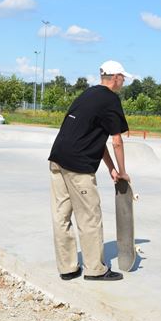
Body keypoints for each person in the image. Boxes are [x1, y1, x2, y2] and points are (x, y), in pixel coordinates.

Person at [48, 60, 132, 281]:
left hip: (57, 159)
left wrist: (111, 169)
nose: (123, 81)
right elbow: (116, 141)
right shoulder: (110, 99)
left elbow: (97, 138)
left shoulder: (88, 94)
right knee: (89, 217)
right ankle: (95, 269)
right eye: (123, 77)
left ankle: (67, 268)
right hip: (78, 166)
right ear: (115, 78)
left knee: (61, 215)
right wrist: (123, 171)